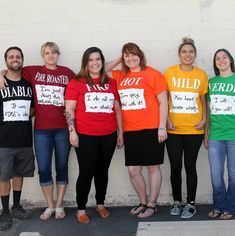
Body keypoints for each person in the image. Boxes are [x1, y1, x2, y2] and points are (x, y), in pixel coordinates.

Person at [0, 42, 75, 220]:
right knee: (43, 169)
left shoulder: (67, 73)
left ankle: (59, 205)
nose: (51, 55)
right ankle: (49, 206)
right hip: (41, 130)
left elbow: (83, 83)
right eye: (47, 52)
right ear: (42, 55)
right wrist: (0, 73)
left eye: (54, 52)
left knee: (62, 167)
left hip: (62, 129)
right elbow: (11, 70)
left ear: (58, 54)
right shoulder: (33, 72)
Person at [108, 42, 168, 218]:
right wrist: (120, 58)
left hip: (151, 128)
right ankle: (143, 201)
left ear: (140, 55)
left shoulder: (153, 74)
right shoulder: (120, 75)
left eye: (133, 54)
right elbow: (100, 70)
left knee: (152, 168)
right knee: (133, 170)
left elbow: (163, 102)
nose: (130, 58)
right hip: (131, 131)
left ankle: (152, 204)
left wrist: (162, 127)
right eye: (127, 55)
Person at [65, 47, 123, 224]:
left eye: (98, 59)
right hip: (85, 135)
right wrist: (72, 132)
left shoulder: (111, 82)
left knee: (102, 171)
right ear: (85, 62)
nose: (95, 63)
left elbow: (117, 109)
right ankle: (81, 209)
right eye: (91, 60)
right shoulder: (77, 82)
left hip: (109, 135)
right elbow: (69, 109)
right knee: (86, 172)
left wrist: (121, 133)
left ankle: (100, 204)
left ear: (102, 61)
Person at [164, 37, 208, 219]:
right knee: (175, 166)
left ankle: (190, 203)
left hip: (194, 130)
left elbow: (204, 102)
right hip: (173, 129)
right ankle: (176, 201)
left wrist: (204, 119)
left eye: (191, 52)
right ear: (179, 55)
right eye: (184, 52)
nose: (187, 55)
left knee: (190, 166)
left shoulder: (201, 75)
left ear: (195, 55)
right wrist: (166, 120)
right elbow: (163, 100)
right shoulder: (169, 73)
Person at [0, 47, 34, 231]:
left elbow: (33, 109)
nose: (15, 59)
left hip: (24, 139)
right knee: (4, 176)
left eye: (18, 56)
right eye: (11, 56)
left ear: (22, 59)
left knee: (18, 174)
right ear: (6, 60)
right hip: (3, 140)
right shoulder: (0, 82)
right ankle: (4, 211)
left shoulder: (28, 85)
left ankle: (16, 206)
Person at [204, 49, 235, 220]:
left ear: (230, 60)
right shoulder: (211, 82)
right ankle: (219, 206)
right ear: (215, 63)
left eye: (224, 57)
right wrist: (206, 133)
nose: (221, 60)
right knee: (215, 174)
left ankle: (230, 208)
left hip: (234, 135)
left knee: (233, 175)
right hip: (216, 135)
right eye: (218, 58)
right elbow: (208, 111)